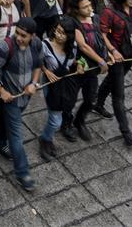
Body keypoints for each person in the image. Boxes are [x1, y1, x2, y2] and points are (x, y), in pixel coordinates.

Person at [0, 16, 42, 192]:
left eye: (23, 35)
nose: (18, 38)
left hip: (25, 97)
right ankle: (23, 173)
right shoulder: (6, 46)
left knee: (4, 122)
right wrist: (1, 91)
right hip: (10, 98)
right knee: (16, 136)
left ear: (32, 36)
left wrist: (34, 83)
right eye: (17, 33)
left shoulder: (36, 44)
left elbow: (38, 66)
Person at [94, 0, 132, 147]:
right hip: (117, 57)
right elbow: (102, 33)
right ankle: (126, 132)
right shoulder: (109, 13)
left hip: (130, 55)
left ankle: (98, 103)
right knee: (119, 96)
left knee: (111, 81)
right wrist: (112, 51)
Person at [38, 15, 82, 160]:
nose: (59, 35)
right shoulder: (45, 45)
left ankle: (48, 138)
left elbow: (75, 59)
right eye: (57, 31)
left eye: (63, 33)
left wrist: (80, 64)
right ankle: (45, 139)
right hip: (51, 83)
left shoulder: (73, 46)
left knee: (66, 106)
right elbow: (37, 62)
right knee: (55, 118)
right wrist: (46, 71)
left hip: (66, 82)